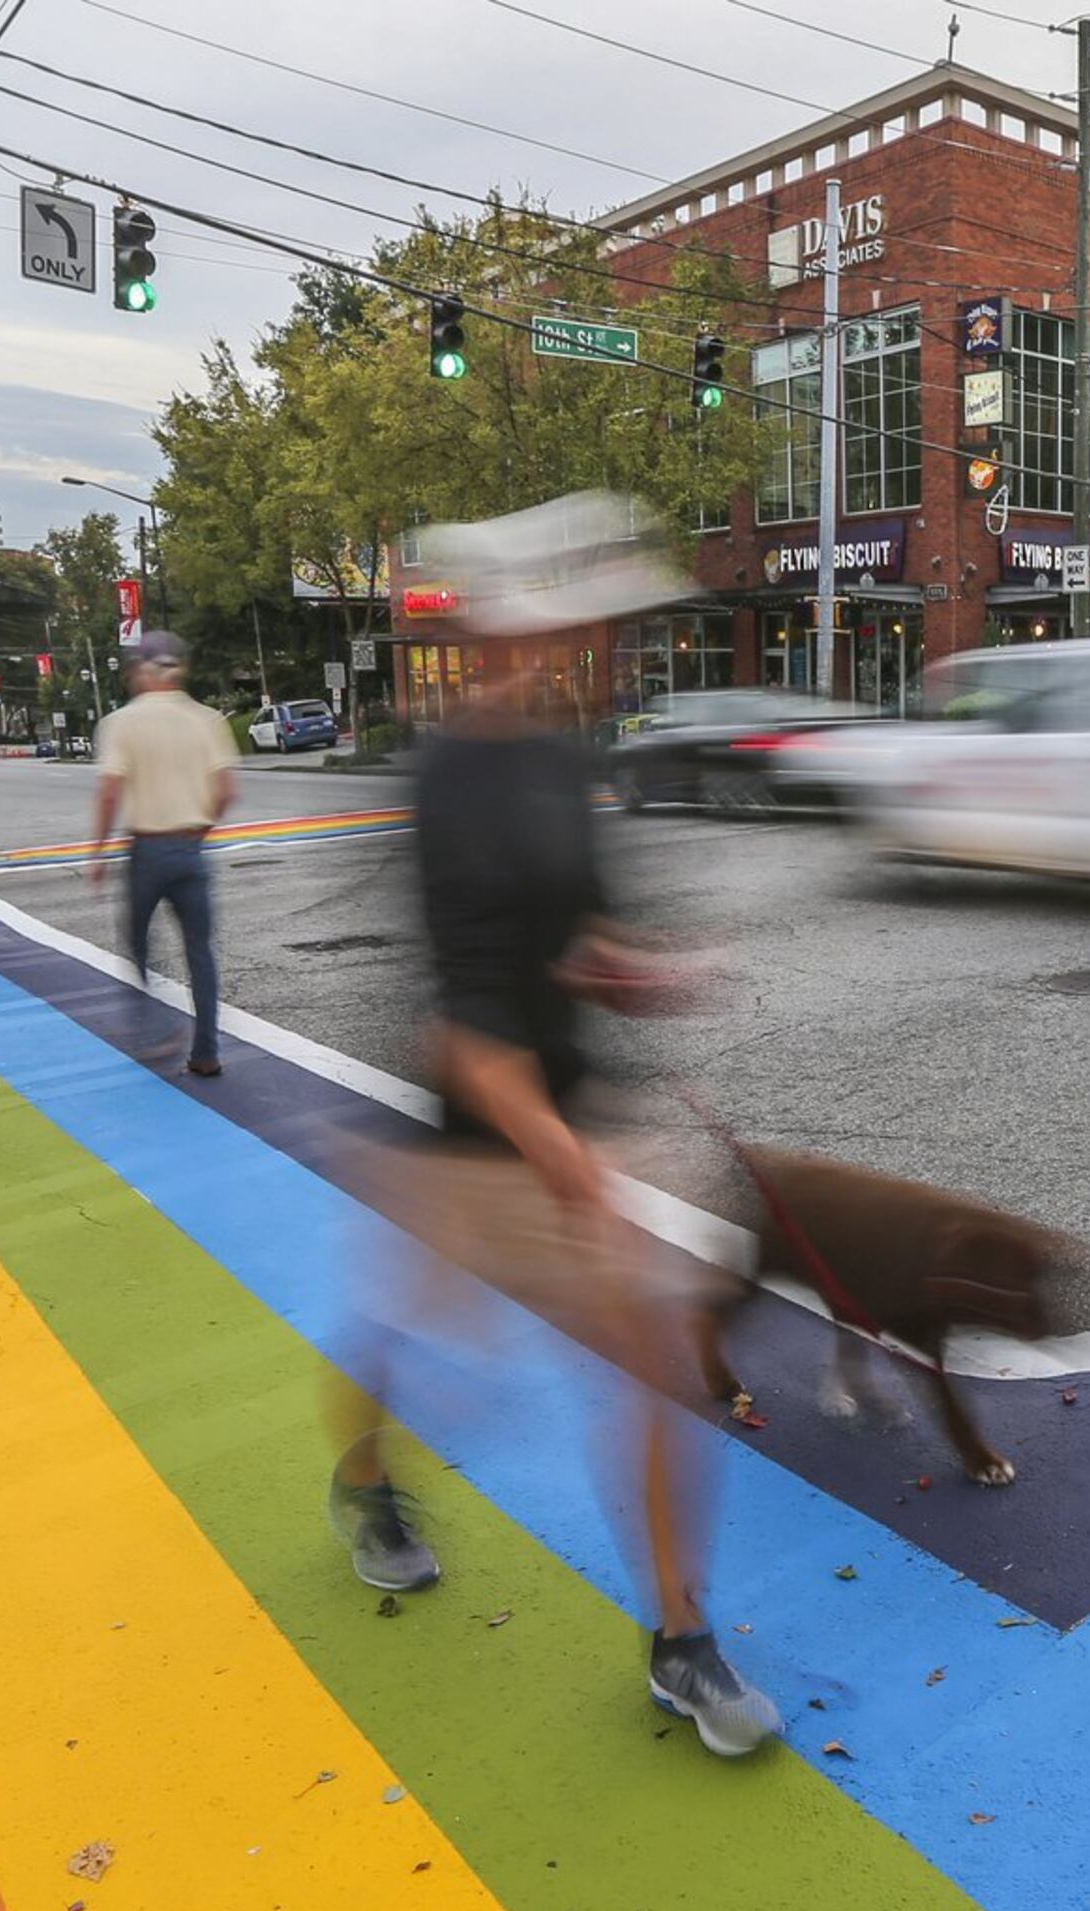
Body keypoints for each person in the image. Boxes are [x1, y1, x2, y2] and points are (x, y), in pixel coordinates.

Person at [334, 491, 780, 1758]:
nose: (596, 640)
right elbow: (467, 1032)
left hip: (567, 1116)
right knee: (398, 1339)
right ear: (496, 635)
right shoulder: (448, 782)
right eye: (573, 618)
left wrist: (638, 968)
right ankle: (362, 1481)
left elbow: (574, 936)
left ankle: (679, 1642)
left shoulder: (562, 756)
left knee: (651, 1362)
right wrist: (567, 1166)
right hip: (482, 1139)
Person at [86, 630, 237, 1078]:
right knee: (200, 951)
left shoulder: (121, 723)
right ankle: (206, 1052)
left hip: (147, 849)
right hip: (191, 847)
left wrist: (96, 851)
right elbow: (227, 789)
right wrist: (200, 829)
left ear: (144, 672)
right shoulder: (208, 720)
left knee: (136, 941)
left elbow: (110, 791)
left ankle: (158, 1025)